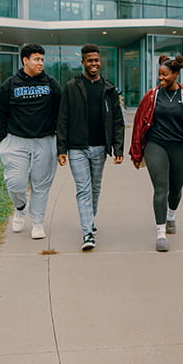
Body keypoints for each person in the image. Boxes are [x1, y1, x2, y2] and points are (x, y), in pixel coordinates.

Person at [129, 55, 183, 252]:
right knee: (160, 188)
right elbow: (139, 124)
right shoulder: (151, 96)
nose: (161, 78)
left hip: (179, 146)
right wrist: (136, 153)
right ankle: (160, 233)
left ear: (175, 74)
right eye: (159, 75)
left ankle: (171, 216)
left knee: (175, 190)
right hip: (156, 145)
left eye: (165, 75)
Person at [56, 43, 126, 252]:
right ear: (83, 62)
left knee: (95, 188)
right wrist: (61, 149)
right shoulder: (71, 87)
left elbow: (117, 121)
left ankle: (90, 220)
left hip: (100, 148)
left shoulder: (109, 88)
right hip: (77, 147)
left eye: (96, 60)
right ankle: (87, 232)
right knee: (83, 190)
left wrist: (118, 148)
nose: (94, 64)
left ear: (100, 61)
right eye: (90, 61)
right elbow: (63, 118)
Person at [0, 43, 61, 240]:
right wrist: (2, 137)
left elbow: (61, 111)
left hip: (45, 140)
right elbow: (0, 112)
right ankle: (20, 206)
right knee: (15, 182)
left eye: (42, 59)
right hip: (16, 141)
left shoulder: (51, 83)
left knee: (41, 185)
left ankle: (38, 223)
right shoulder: (10, 84)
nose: (40, 63)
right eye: (36, 59)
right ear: (25, 60)